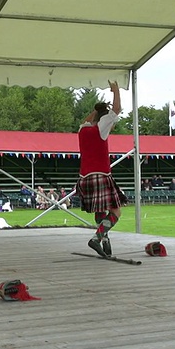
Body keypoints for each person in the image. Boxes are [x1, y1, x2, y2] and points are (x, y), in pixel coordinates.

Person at [76, 80, 127, 257]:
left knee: (100, 210)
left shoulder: (82, 129)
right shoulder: (101, 127)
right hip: (100, 174)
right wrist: (116, 91)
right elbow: (117, 109)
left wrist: (97, 110)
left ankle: (105, 239)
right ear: (104, 118)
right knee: (115, 211)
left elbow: (86, 120)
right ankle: (97, 238)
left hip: (84, 177)